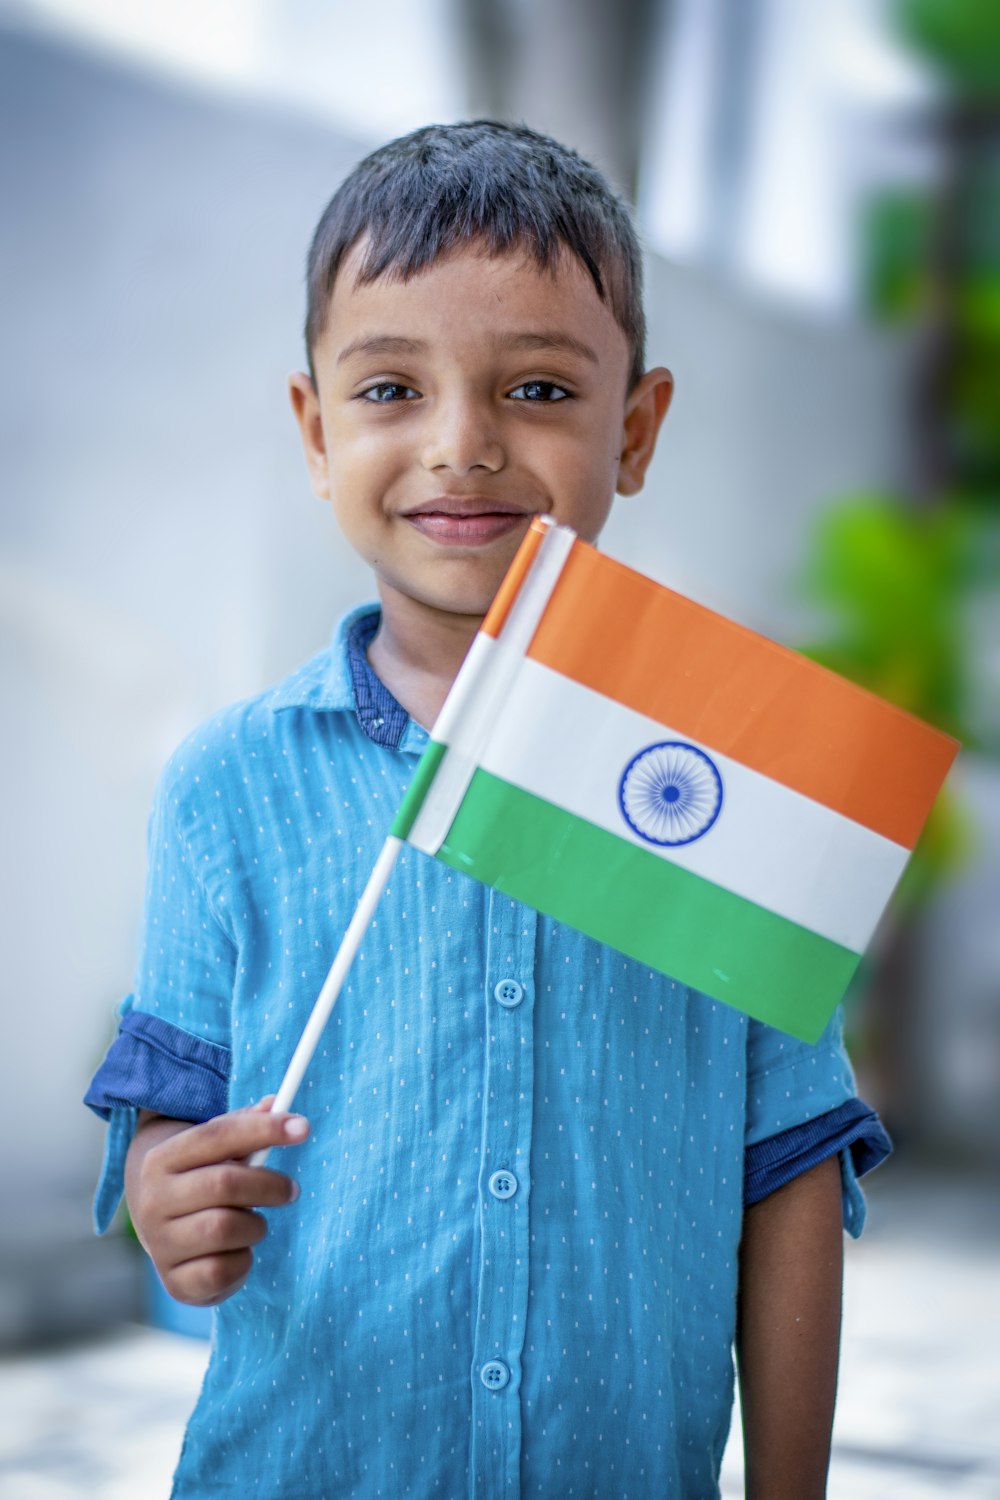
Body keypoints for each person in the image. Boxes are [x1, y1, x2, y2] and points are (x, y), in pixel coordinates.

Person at [85, 120, 891, 1499]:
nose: (463, 447)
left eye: (535, 387)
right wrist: (168, 1202)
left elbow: (792, 1170)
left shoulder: (737, 792)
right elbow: (171, 1114)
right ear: (315, 426)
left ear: (633, 431)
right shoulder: (227, 784)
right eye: (391, 386)